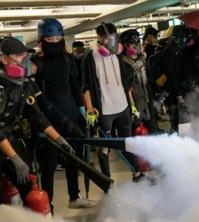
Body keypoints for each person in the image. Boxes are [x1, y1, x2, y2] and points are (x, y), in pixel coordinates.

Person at [0, 37, 75, 222]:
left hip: (9, 138)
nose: (25, 60)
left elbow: (38, 116)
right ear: (3, 59)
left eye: (26, 55)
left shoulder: (24, 83)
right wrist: (15, 159)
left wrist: (60, 140)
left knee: (30, 189)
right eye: (19, 56)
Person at [31, 18, 96, 209]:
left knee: (73, 161)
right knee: (48, 166)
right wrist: (38, 124)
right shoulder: (36, 64)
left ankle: (74, 197)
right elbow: (33, 97)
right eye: (50, 39)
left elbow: (75, 86)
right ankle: (47, 205)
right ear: (41, 40)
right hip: (49, 122)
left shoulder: (68, 59)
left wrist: (83, 109)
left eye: (58, 38)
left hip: (72, 116)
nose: (54, 42)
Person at [81, 22, 145, 181]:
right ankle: (107, 179)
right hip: (104, 110)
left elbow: (126, 85)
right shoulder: (89, 59)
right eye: (107, 39)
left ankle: (137, 173)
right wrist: (90, 109)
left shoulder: (118, 55)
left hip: (122, 106)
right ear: (99, 38)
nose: (111, 42)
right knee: (105, 147)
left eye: (114, 37)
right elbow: (86, 87)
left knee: (127, 142)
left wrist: (132, 106)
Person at [119, 29, 152, 130]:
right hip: (134, 102)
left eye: (138, 42)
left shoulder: (142, 59)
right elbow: (126, 87)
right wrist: (131, 105)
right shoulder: (122, 63)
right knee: (137, 128)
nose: (137, 45)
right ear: (125, 45)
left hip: (147, 98)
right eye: (133, 44)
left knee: (150, 126)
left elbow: (149, 77)